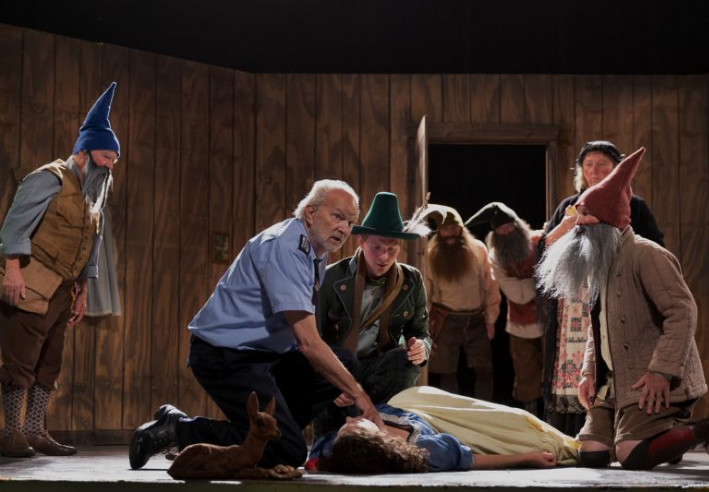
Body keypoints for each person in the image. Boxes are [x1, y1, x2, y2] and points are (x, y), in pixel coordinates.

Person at [129, 180, 383, 470]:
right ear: (311, 213)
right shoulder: (287, 247)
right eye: (337, 216)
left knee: (345, 363)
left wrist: (344, 382)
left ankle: (271, 434)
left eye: (350, 222)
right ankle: (179, 430)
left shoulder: (316, 249)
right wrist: (359, 395)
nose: (344, 229)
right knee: (288, 450)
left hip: (267, 357)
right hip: (226, 356)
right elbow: (309, 343)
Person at [537, 147, 709, 470]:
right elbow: (597, 329)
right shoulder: (600, 261)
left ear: (608, 220)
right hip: (613, 383)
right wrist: (588, 373)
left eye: (587, 217)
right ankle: (662, 438)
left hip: (650, 379)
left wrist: (661, 372)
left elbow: (682, 312)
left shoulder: (648, 255)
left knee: (630, 455)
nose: (579, 225)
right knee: (591, 454)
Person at [0, 83, 120, 457]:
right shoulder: (48, 179)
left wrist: (83, 290)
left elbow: (91, 246)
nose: (111, 165)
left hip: (63, 292)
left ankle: (35, 430)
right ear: (83, 153)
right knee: (19, 361)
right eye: (106, 156)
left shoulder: (93, 197)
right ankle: (11, 433)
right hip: (31, 284)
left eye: (115, 160)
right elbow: (15, 225)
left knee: (49, 365)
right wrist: (11, 270)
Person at [537, 140, 664, 436]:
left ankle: (618, 427)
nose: (595, 170)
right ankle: (571, 434)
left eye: (602, 164)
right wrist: (567, 225)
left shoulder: (634, 205)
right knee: (573, 364)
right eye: (589, 165)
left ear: (616, 168)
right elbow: (545, 249)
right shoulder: (568, 206)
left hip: (616, 291)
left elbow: (651, 247)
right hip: (574, 303)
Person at [318, 192, 432, 406]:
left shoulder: (411, 280)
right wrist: (329, 381)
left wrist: (421, 348)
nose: (384, 257)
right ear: (361, 241)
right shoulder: (332, 277)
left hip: (380, 368)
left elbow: (420, 332)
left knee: (403, 360)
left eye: (391, 249)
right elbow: (314, 338)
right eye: (376, 248)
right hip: (339, 367)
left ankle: (383, 418)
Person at [310, 385, 579, 473]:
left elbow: (315, 459)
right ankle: (574, 446)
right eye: (355, 424)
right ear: (374, 439)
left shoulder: (336, 447)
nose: (349, 420)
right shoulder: (424, 450)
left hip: (412, 400)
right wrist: (528, 457)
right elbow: (473, 460)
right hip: (442, 420)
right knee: (518, 423)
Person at [466, 202, 544, 416]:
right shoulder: (496, 258)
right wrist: (538, 281)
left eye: (510, 227)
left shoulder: (540, 241)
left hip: (548, 319)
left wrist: (534, 282)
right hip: (520, 323)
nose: (507, 233)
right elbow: (519, 295)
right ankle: (532, 416)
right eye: (502, 230)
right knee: (526, 374)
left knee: (553, 369)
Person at [423, 205, 500, 401]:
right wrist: (426, 326)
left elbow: (490, 284)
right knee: (447, 373)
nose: (450, 233)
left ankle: (485, 410)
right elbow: (426, 292)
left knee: (485, 370)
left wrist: (491, 319)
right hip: (446, 319)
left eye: (454, 228)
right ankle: (452, 413)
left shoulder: (477, 249)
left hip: (476, 320)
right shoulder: (430, 255)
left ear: (461, 228)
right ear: (439, 231)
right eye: (445, 229)